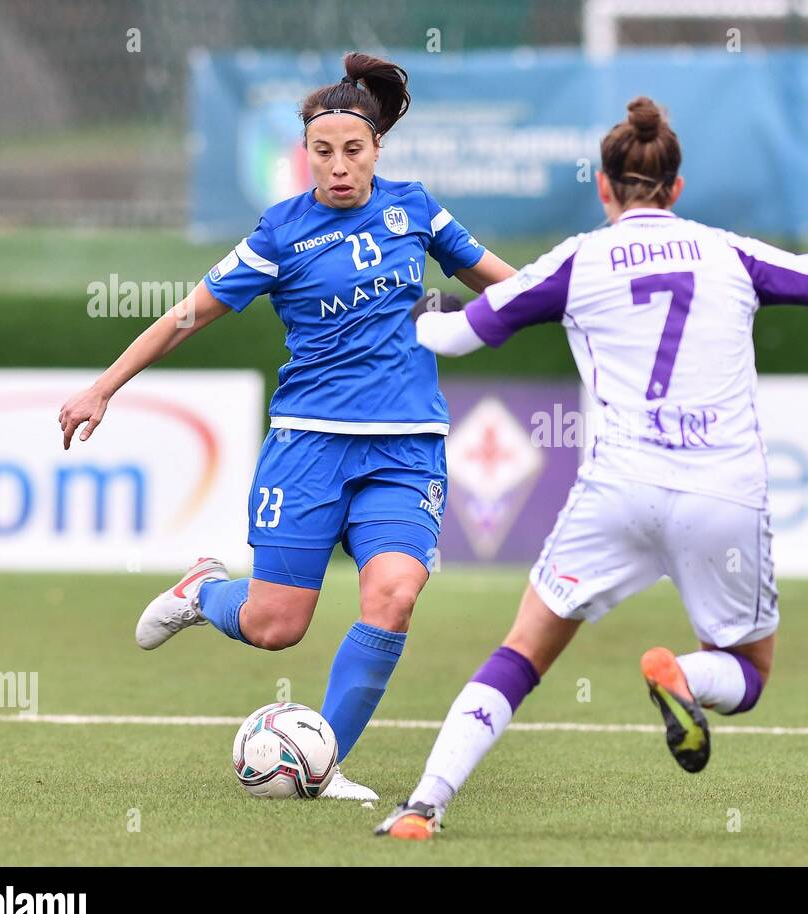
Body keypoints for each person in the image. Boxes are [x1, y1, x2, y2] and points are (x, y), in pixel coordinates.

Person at [373, 96, 808, 839]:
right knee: (750, 672)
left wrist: (421, 317)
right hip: (723, 494)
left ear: (604, 187)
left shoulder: (578, 258)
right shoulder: (727, 251)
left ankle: (423, 805)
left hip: (618, 492)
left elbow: (462, 334)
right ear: (677, 189)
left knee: (521, 652)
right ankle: (683, 676)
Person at [57, 53, 515, 799]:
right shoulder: (281, 233)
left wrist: (582, 300)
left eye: (353, 151)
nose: (338, 168)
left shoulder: (416, 210)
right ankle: (204, 592)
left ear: (377, 151)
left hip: (406, 449)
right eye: (322, 153)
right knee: (276, 626)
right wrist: (104, 387)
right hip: (308, 445)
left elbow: (507, 285)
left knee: (394, 594)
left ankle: (322, 763)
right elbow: (187, 316)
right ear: (305, 155)